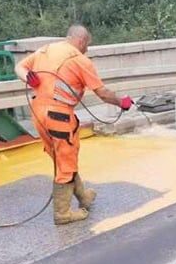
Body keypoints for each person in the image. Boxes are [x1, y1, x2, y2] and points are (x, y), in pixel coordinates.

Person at [14, 24, 133, 224]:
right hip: (58, 115)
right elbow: (102, 93)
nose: (87, 48)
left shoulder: (47, 49)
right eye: (88, 44)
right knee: (65, 164)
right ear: (81, 40)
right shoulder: (80, 60)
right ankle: (62, 213)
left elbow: (19, 66)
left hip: (38, 112)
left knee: (63, 159)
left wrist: (28, 77)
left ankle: (83, 196)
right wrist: (122, 102)